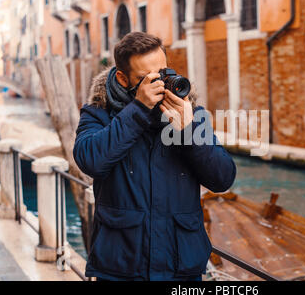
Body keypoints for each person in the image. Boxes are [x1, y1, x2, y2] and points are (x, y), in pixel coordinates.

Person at [73, 32, 236, 281]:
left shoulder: (192, 114)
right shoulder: (99, 113)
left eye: (162, 73)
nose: (159, 84)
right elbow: (89, 160)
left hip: (181, 270)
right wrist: (138, 109)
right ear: (122, 78)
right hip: (121, 269)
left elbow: (222, 178)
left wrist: (189, 131)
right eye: (145, 79)